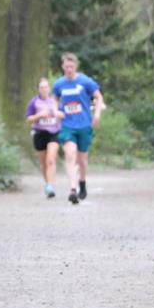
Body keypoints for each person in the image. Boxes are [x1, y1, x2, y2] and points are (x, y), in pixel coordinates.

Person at [52, 53, 104, 204]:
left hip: (84, 125)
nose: (69, 69)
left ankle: (82, 182)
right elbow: (54, 98)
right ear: (62, 67)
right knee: (70, 154)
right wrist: (56, 111)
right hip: (68, 126)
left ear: (76, 66)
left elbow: (98, 97)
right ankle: (72, 189)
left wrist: (97, 114)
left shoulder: (85, 81)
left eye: (71, 67)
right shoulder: (59, 84)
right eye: (66, 67)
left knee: (82, 161)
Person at [26, 78, 62, 198]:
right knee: (43, 162)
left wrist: (58, 115)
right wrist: (39, 115)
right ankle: (47, 183)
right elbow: (28, 119)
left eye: (46, 87)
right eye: (42, 87)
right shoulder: (34, 102)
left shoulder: (55, 101)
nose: (44, 89)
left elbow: (63, 114)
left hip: (54, 133)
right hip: (39, 132)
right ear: (38, 89)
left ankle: (50, 186)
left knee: (50, 160)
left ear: (49, 88)